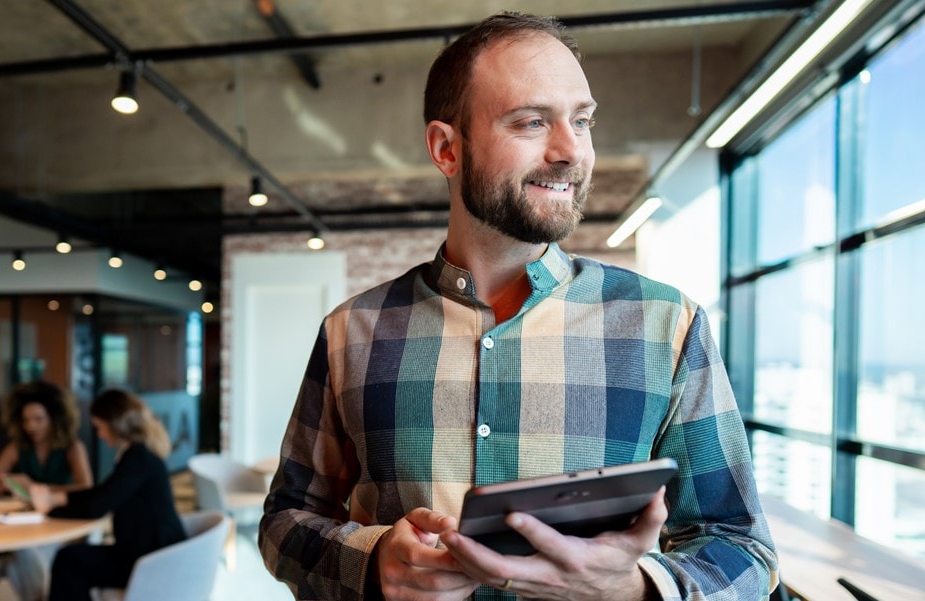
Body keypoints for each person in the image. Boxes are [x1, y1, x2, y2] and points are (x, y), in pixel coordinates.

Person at [258, 12, 778, 601]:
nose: (570, 151)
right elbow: (284, 521)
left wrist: (634, 589)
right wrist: (372, 563)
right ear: (446, 149)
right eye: (532, 122)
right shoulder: (351, 332)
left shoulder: (666, 327)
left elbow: (743, 546)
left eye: (581, 121)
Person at [28, 389, 186, 600]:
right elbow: (104, 491)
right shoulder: (139, 453)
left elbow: (98, 507)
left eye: (100, 428)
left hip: (151, 560)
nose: (100, 434)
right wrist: (59, 498)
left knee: (70, 560)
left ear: (116, 425)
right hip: (151, 552)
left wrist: (50, 510)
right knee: (73, 558)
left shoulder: (136, 457)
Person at [0, 380, 94, 601]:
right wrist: (6, 483)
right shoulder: (18, 447)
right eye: (26, 420)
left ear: (54, 418)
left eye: (38, 419)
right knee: (22, 552)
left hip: (60, 526)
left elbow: (86, 488)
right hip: (27, 525)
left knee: (22, 556)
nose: (31, 426)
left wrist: (34, 487)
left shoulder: (72, 447)